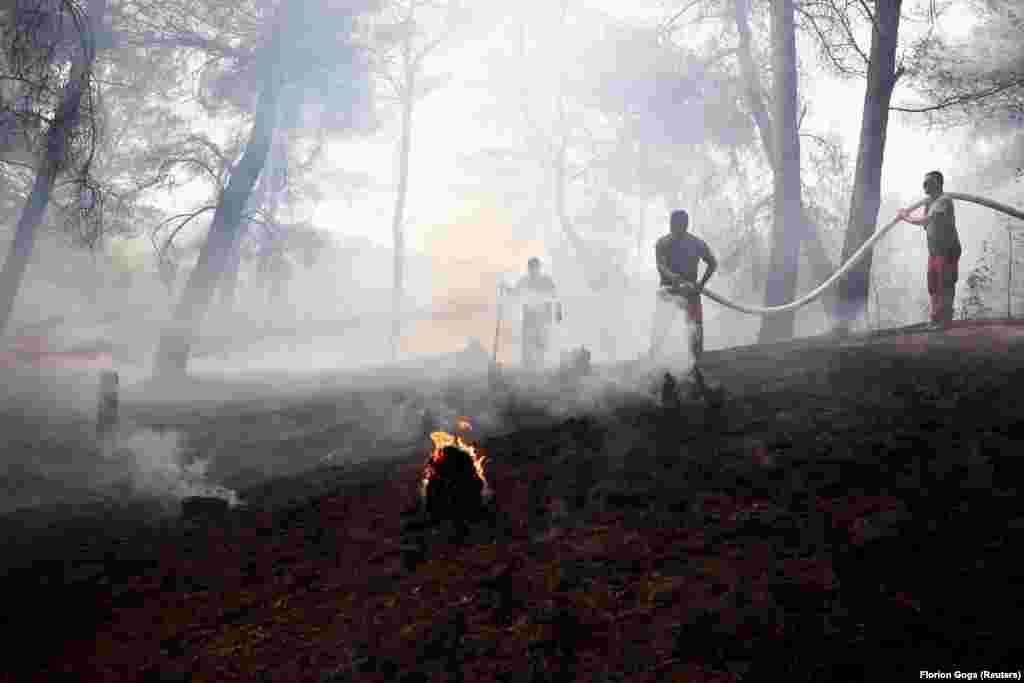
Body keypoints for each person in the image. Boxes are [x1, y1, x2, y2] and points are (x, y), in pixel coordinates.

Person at [649, 208, 717, 370]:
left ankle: (697, 366)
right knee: (660, 328)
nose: (676, 228)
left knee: (695, 329)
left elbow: (712, 263)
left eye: (679, 225)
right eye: (673, 224)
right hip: (668, 291)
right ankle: (652, 359)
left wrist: (701, 284)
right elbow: (661, 265)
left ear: (686, 225)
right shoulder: (663, 243)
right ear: (670, 225)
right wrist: (672, 277)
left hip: (691, 292)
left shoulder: (696, 243)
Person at [897, 170, 962, 330]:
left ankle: (944, 321)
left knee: (945, 284)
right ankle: (935, 319)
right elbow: (926, 226)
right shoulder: (929, 202)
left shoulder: (944, 200)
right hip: (934, 250)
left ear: (938, 184)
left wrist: (905, 217)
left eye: (929, 182)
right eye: (924, 183)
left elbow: (925, 220)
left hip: (947, 250)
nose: (924, 185)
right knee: (933, 285)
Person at [500, 257, 563, 371]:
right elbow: (515, 292)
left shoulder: (546, 281)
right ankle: (528, 368)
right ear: (528, 269)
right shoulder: (525, 281)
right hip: (529, 316)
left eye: (535, 268)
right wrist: (505, 287)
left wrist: (558, 312)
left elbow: (556, 296)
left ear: (539, 268)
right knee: (528, 344)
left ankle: (541, 367)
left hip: (543, 316)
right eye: (531, 268)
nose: (533, 271)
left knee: (541, 343)